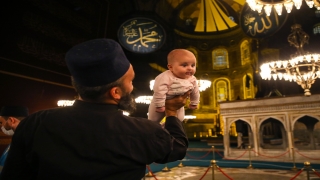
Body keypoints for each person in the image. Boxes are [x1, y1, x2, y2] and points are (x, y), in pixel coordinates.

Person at [0, 39, 190, 180]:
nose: (132, 88)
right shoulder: (143, 132)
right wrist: (172, 112)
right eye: (130, 81)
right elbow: (178, 148)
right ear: (115, 92)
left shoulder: (35, 123)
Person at [148, 49, 200, 123]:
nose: (190, 68)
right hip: (160, 101)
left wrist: (194, 103)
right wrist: (160, 105)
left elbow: (195, 92)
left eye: (193, 65)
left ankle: (166, 128)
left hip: (179, 104)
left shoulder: (192, 79)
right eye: (184, 65)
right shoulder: (165, 77)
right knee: (153, 121)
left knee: (179, 120)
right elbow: (159, 90)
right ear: (170, 67)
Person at [0, 106, 29, 171]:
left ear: (11, 120)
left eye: (1, 122)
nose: (1, 126)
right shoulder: (17, 139)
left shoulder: (25, 143)